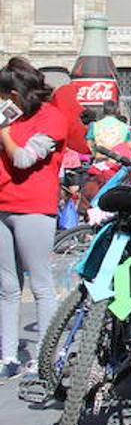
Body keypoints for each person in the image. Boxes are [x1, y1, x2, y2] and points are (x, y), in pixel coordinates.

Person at [0, 57, 68, 375]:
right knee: (7, 287)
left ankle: (44, 355)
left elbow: (25, 159)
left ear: (14, 94)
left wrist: (3, 132)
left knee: (40, 284)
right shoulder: (9, 119)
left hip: (34, 207)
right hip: (3, 205)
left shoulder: (51, 118)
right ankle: (8, 356)